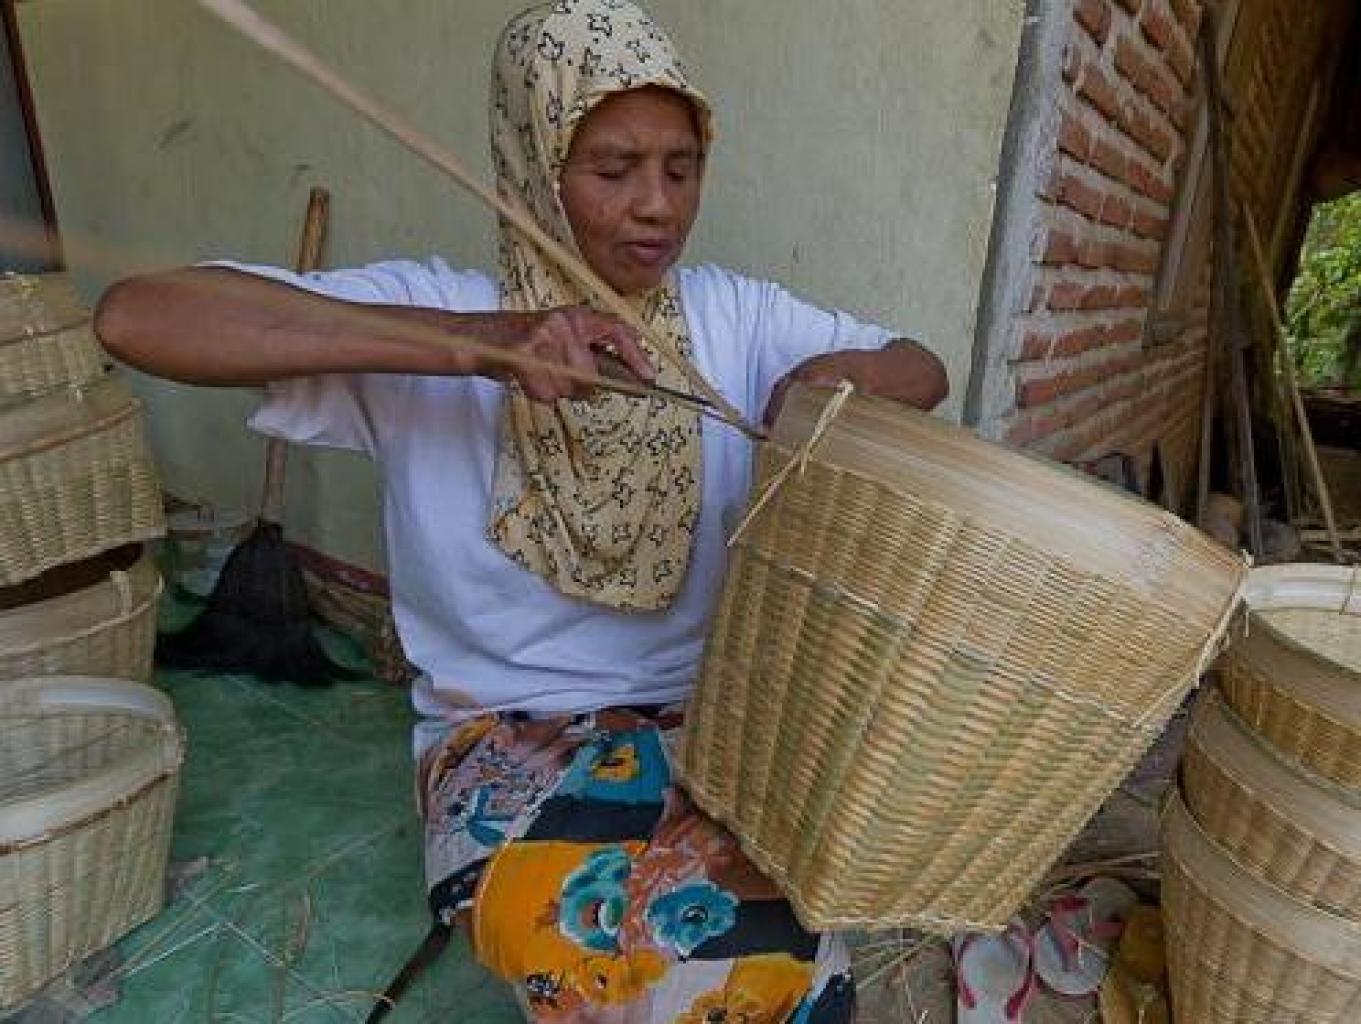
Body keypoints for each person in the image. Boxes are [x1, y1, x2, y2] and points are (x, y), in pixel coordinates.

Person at [96, 2, 947, 1020]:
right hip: (502, 739)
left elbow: (919, 366)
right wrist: (477, 343)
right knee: (636, 967)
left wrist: (839, 380)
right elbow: (139, 315)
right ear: (537, 163)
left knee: (799, 959)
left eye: (681, 168)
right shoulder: (438, 310)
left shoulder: (735, 318)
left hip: (711, 725)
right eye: (613, 168)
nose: (656, 206)